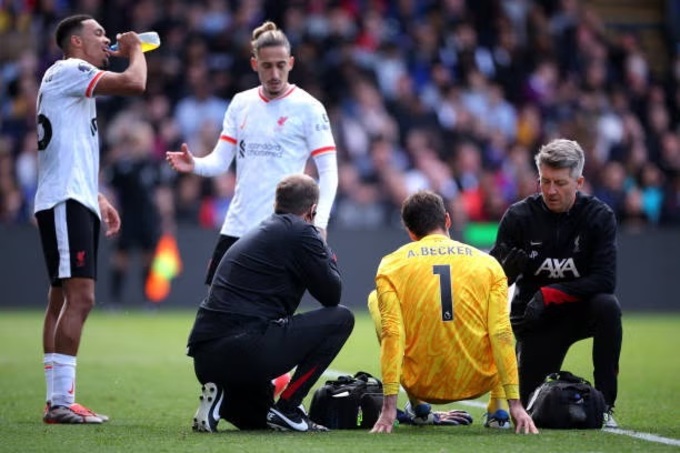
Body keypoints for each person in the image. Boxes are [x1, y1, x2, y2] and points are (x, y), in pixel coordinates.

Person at [34, 14, 147, 424]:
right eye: (97, 34)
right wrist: (135, 50)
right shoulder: (71, 68)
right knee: (81, 298)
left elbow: (64, 148)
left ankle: (56, 399)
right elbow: (135, 83)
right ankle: (61, 403)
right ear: (76, 43)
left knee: (61, 298)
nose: (106, 40)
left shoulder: (67, 83)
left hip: (69, 195)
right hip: (65, 200)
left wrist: (95, 195)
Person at [166, 20, 338, 286]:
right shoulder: (241, 103)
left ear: (291, 63)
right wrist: (195, 164)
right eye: (267, 65)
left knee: (267, 315)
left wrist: (320, 222)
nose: (275, 74)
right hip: (237, 226)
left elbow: (329, 172)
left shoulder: (309, 108)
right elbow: (221, 161)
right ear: (254, 64)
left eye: (281, 65)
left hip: (281, 230)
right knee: (218, 314)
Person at [187, 174, 354, 433]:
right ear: (312, 211)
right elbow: (332, 295)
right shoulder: (302, 231)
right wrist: (323, 247)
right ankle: (289, 405)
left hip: (206, 358)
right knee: (341, 319)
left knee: (260, 420)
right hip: (246, 348)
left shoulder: (260, 230)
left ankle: (220, 396)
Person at [368, 190, 538, 435]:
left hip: (422, 383)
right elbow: (501, 333)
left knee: (376, 300)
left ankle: (419, 407)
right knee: (497, 320)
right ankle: (498, 410)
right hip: (480, 380)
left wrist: (388, 407)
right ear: (447, 220)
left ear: (410, 232)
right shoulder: (489, 265)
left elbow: (393, 334)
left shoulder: (392, 265)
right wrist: (516, 404)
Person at [489, 138, 622, 428]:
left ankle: (606, 407)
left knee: (608, 306)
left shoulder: (599, 217)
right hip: (536, 321)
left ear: (579, 181)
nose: (550, 191)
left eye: (560, 183)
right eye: (544, 181)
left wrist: (551, 293)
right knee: (530, 408)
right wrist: (504, 273)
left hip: (581, 312)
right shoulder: (518, 216)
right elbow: (490, 281)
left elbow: (605, 280)